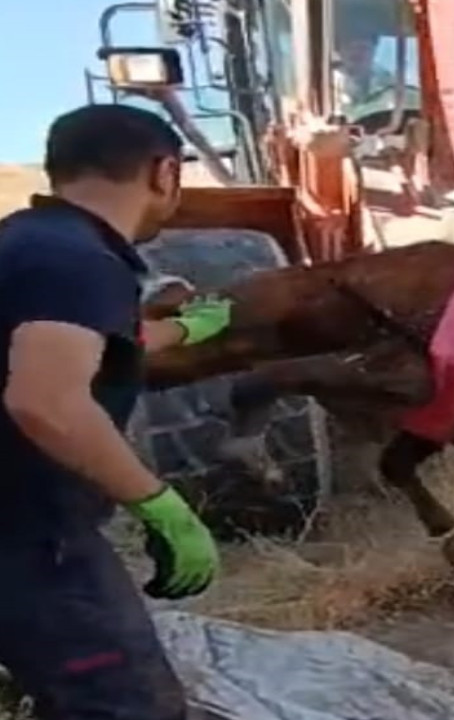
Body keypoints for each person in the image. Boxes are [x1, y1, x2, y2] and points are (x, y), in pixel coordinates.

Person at [0, 103, 233, 719]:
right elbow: (45, 401)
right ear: (164, 172)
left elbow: (84, 344)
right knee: (127, 706)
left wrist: (183, 330)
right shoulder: (78, 261)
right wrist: (161, 504)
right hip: (29, 540)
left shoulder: (31, 243)